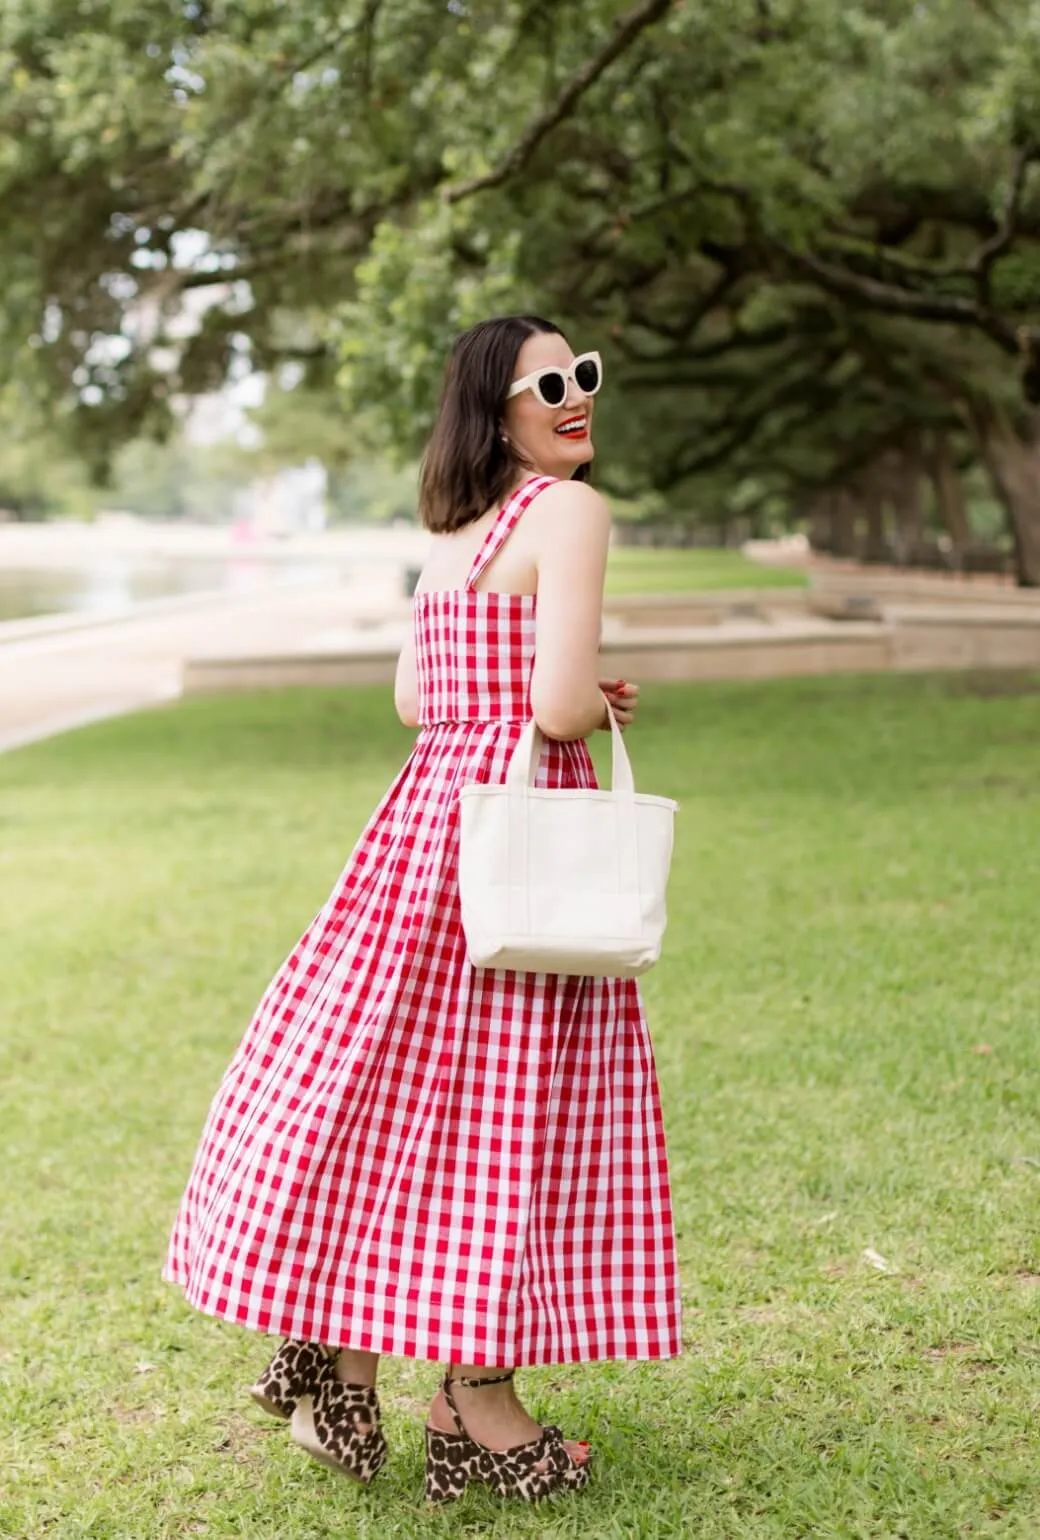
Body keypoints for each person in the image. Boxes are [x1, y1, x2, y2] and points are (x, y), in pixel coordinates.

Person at [164, 315, 682, 1504]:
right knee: (503, 1113)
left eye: (582, 374)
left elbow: (415, 696)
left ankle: (338, 1354)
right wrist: (574, 692)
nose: (573, 395)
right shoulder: (569, 513)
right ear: (492, 409)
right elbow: (552, 706)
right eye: (545, 383)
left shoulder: (451, 534)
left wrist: (536, 689)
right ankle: (475, 1404)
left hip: (422, 836)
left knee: (398, 1098)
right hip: (516, 848)